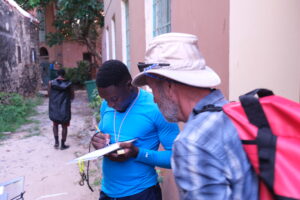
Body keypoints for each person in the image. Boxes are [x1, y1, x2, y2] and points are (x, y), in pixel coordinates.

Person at [132, 33, 258, 200]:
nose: (154, 99)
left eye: (153, 89)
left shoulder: (191, 143)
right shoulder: (235, 112)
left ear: (169, 86)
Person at [91, 60, 179, 200]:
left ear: (128, 85)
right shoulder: (106, 104)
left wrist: (137, 153)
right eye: (105, 100)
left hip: (142, 193)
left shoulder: (156, 107)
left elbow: (176, 158)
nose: (110, 105)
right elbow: (104, 133)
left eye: (114, 99)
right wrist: (98, 139)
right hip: (107, 192)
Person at [48, 69, 74, 150]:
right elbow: (72, 96)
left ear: (57, 74)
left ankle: (56, 143)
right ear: (64, 74)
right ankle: (63, 144)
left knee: (55, 125)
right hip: (65, 107)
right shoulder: (69, 84)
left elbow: (49, 94)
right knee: (64, 126)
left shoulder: (51, 83)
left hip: (55, 106)